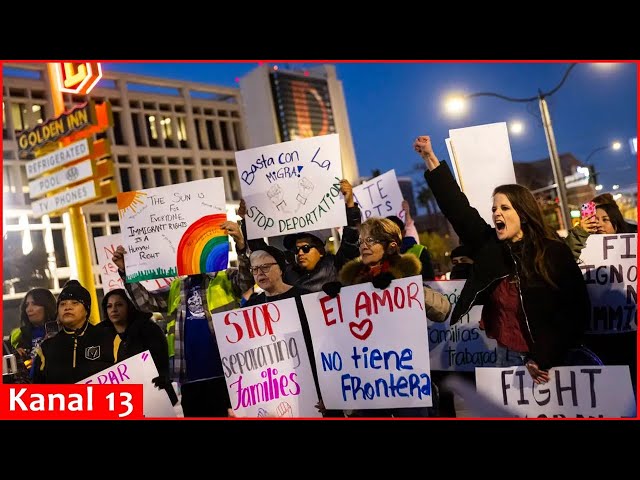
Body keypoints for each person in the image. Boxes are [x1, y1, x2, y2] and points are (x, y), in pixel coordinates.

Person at [414, 134, 590, 384]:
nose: (496, 212)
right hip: (504, 357)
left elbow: (575, 309)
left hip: (550, 363)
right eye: (494, 208)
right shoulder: (490, 246)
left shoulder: (553, 252)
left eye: (505, 208)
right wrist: (430, 158)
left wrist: (543, 358)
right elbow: (457, 209)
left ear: (523, 214)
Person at [112, 220, 254, 417]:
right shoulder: (176, 288)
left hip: (227, 376)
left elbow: (247, 279)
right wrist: (125, 272)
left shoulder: (226, 278)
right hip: (190, 382)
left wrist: (240, 244)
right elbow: (145, 302)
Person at [324, 217, 451, 417]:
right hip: (369, 388)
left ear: (391, 246)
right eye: (361, 241)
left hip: (407, 384)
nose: (363, 246)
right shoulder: (351, 287)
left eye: (371, 241)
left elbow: (442, 310)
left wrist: (401, 287)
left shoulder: (406, 279)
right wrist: (338, 298)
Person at [238, 179, 362, 293]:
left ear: (321, 251)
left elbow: (350, 240)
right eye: (296, 250)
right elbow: (260, 251)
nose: (300, 253)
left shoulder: (335, 265)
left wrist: (350, 204)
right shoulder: (287, 272)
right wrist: (248, 220)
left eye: (306, 248)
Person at [99, 288, 177, 405]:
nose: (113, 310)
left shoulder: (149, 329)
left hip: (156, 396)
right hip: (124, 402)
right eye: (109, 306)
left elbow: (163, 359)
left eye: (119, 305)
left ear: (130, 306)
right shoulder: (101, 336)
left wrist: (164, 377)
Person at [33, 280, 115, 384]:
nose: (67, 307)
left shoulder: (108, 338)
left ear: (87, 310)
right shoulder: (46, 348)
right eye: (62, 304)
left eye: (75, 303)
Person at [565, 195, 635, 260]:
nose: (599, 224)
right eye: (595, 219)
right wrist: (580, 233)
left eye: (605, 219)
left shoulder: (634, 239)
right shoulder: (582, 242)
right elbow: (567, 256)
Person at [10, 288, 58, 381]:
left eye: (35, 304)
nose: (29, 309)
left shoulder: (63, 330)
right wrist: (18, 357)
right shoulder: (19, 336)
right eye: (27, 305)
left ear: (47, 305)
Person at [387, 211, 436, 280]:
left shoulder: (419, 251)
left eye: (394, 232)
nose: (390, 236)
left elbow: (429, 280)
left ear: (403, 233)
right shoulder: (378, 256)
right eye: (385, 232)